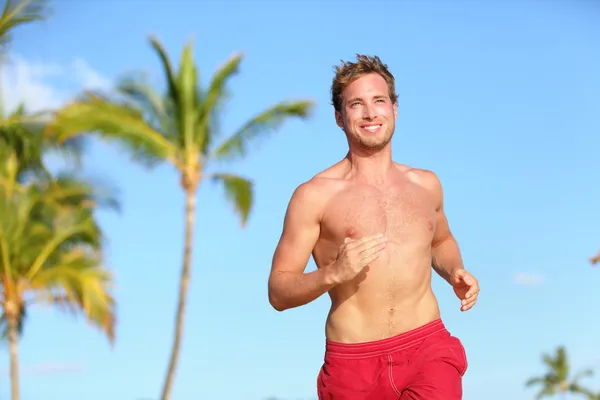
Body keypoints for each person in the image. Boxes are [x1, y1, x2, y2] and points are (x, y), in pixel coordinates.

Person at [267, 54, 480, 400]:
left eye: (379, 101)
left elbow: (440, 241)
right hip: (353, 364)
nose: (370, 113)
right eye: (356, 104)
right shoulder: (314, 196)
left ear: (395, 109)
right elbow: (278, 291)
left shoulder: (426, 185)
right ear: (339, 117)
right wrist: (333, 273)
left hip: (427, 348)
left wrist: (455, 270)